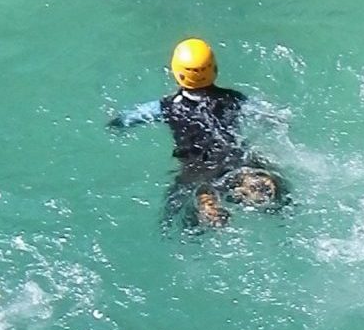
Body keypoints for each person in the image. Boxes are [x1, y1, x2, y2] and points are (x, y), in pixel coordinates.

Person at [108, 38, 285, 228]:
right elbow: (272, 115)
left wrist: (114, 124)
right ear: (214, 68)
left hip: (197, 169)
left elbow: (128, 119)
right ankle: (249, 182)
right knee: (257, 170)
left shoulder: (166, 107)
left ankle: (207, 203)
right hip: (234, 158)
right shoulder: (234, 98)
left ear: (177, 72)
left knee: (174, 212)